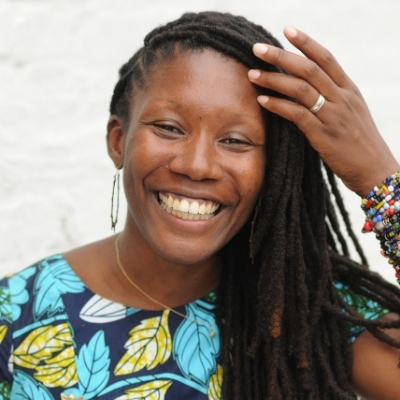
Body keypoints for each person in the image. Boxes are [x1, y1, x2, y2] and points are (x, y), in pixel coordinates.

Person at [1, 11, 400, 400]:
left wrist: (380, 179)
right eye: (169, 128)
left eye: (235, 141)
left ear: (272, 167)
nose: (196, 166)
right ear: (119, 141)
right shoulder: (17, 314)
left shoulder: (314, 310)